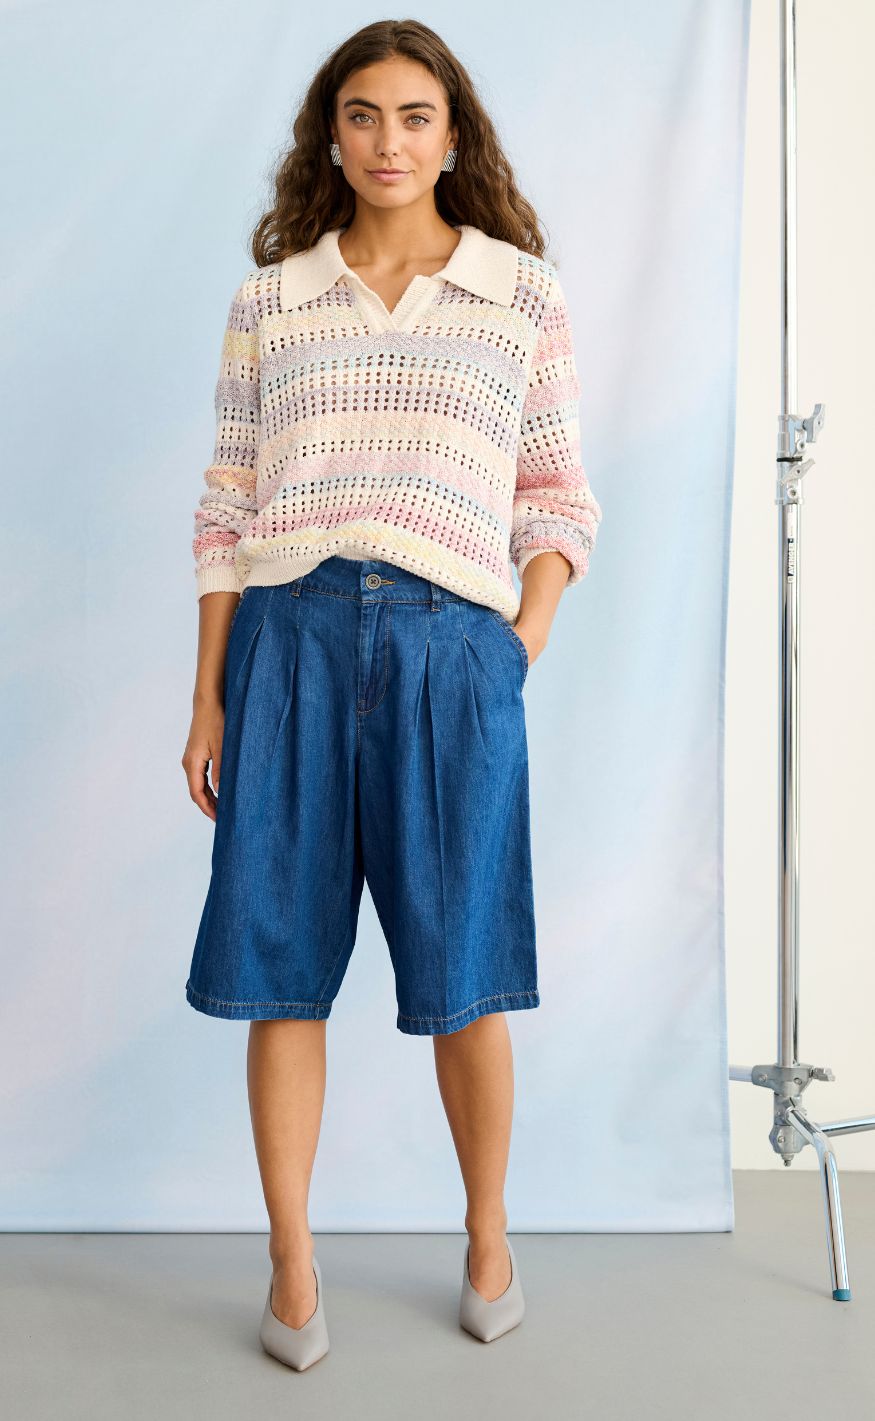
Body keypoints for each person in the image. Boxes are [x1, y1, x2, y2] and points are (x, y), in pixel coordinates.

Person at [180, 18, 602, 1369]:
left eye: (416, 116)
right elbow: (227, 504)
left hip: (451, 650)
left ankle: (487, 1236)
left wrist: (519, 640)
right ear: (331, 132)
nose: (388, 141)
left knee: (464, 974)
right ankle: (291, 1259)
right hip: (288, 643)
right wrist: (210, 699)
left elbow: (556, 491)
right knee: (280, 970)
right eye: (362, 114)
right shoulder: (272, 302)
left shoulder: (519, 295)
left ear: (454, 137)